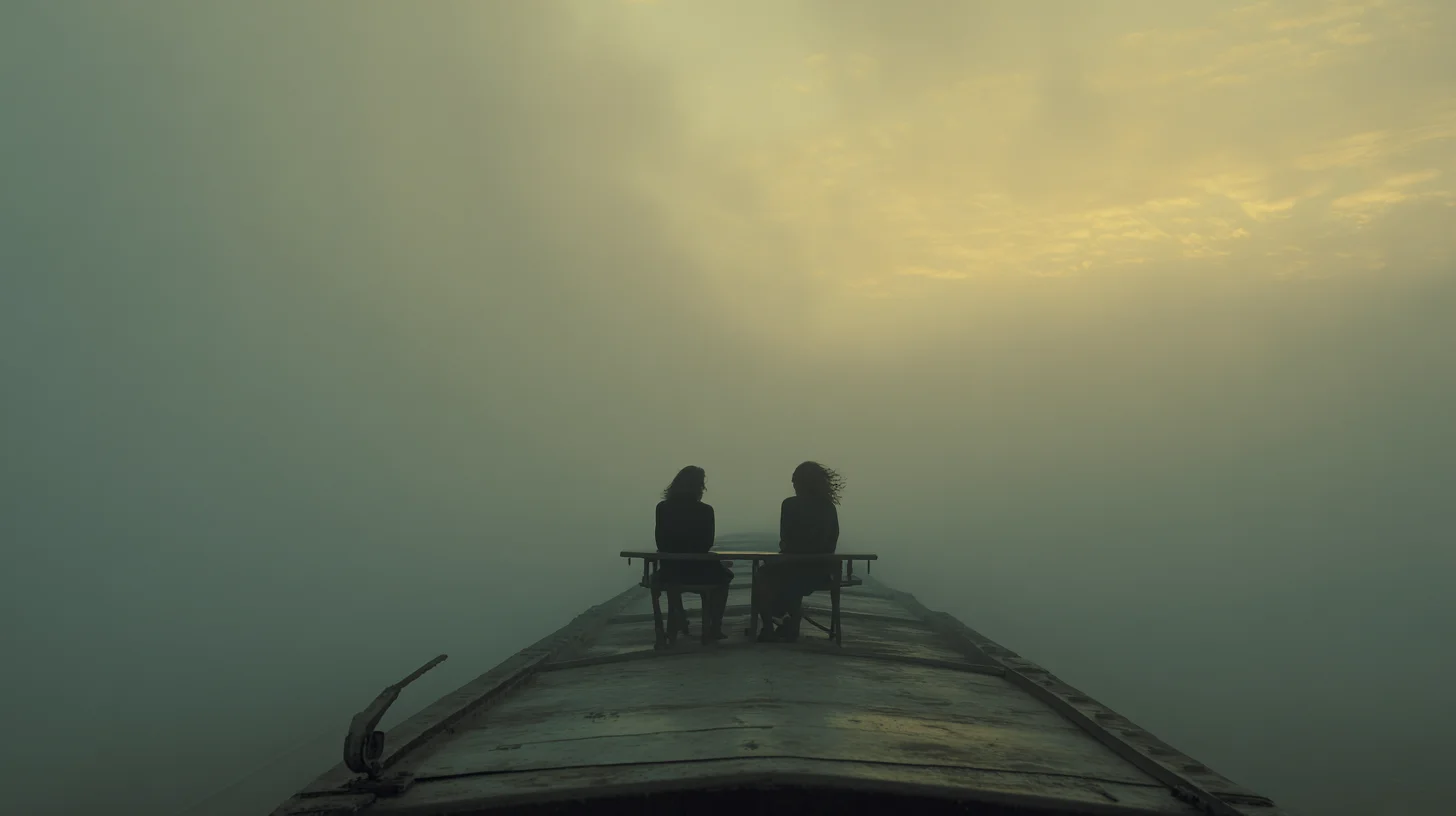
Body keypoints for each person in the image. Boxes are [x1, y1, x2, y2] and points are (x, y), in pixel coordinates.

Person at [755, 461, 843, 642]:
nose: (793, 486)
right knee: (791, 578)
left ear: (801, 483)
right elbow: (832, 541)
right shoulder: (828, 507)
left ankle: (770, 627)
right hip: (820, 571)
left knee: (764, 575)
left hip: (794, 568)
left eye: (794, 481)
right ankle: (791, 624)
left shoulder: (789, 505)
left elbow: (786, 540)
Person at [654, 466, 732, 640]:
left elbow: (661, 542)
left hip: (671, 572)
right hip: (699, 572)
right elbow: (706, 544)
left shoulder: (662, 508)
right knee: (724, 579)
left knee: (670, 583)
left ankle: (678, 619)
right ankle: (714, 626)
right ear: (699, 487)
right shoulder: (705, 510)